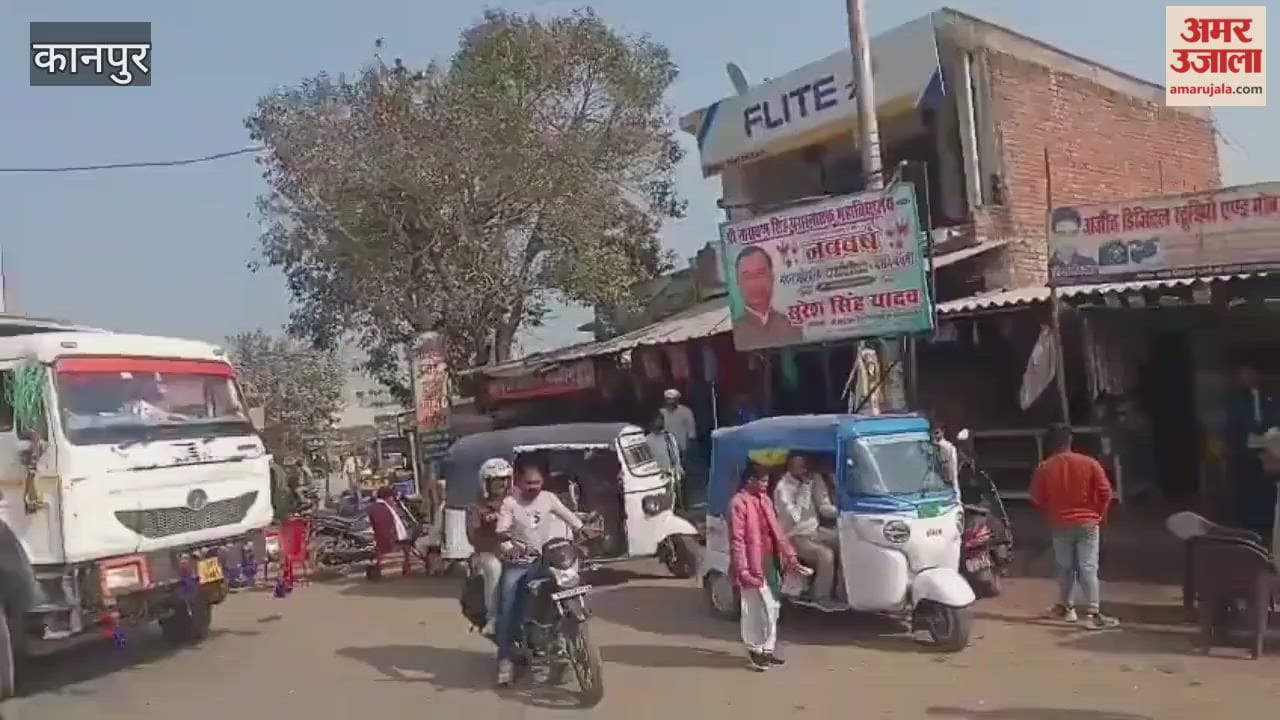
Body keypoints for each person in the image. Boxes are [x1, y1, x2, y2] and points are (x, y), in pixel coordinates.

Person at [493, 458, 585, 686]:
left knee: (566, 590)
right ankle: (505, 661)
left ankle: (561, 643)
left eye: (537, 482)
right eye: (528, 483)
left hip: (548, 560)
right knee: (507, 609)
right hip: (520, 563)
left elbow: (573, 520)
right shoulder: (510, 503)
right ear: (519, 481)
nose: (532, 487)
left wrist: (586, 531)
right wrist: (509, 547)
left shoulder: (549, 499)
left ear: (544, 481)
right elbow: (502, 531)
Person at [1029, 423, 1119, 629]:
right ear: (1070, 441)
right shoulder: (1089, 463)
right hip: (1088, 523)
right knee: (1088, 567)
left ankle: (1067, 609)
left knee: (1065, 566)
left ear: (1050, 443)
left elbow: (1036, 499)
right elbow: (1106, 492)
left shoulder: (1044, 468)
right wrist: (1098, 516)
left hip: (1060, 524)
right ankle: (1093, 613)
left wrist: (1051, 514)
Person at [730, 462, 799, 671]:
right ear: (749, 480)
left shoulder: (766, 501)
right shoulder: (738, 503)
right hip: (751, 562)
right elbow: (737, 539)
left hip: (770, 559)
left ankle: (767, 649)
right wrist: (742, 569)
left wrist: (790, 555)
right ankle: (754, 649)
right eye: (762, 480)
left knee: (773, 607)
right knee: (753, 608)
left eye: (767, 481)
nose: (765, 484)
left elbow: (777, 531)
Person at [772, 452, 840, 610]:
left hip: (815, 530)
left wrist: (841, 511)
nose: (804, 469)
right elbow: (793, 517)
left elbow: (823, 508)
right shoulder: (783, 488)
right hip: (795, 536)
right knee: (825, 555)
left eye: (805, 465)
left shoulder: (810, 481)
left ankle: (842, 591)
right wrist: (802, 493)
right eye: (799, 465)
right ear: (790, 466)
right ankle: (821, 596)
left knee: (845, 542)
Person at [1224, 361, 1278, 541]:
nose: (1245, 377)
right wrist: (1254, 443)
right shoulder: (1234, 402)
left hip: (1269, 454)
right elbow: (1232, 429)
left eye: (1248, 373)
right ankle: (1249, 527)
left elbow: (1274, 421)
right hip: (1245, 455)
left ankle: (1268, 524)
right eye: (1241, 373)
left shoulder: (1269, 399)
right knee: (1247, 491)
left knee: (1268, 490)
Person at [468, 458, 512, 636]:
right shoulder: (477, 507)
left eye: (505, 479)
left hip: (519, 548)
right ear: (486, 482)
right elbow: (473, 536)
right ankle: (492, 617)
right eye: (496, 480)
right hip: (489, 551)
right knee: (493, 568)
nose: (502, 483)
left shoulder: (518, 500)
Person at [732, 246, 802, 348]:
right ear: (738, 283)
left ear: (772, 277)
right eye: (747, 276)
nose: (754, 283)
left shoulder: (790, 327)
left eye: (761, 274)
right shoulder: (735, 333)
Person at [660, 389, 697, 455]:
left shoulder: (685, 411)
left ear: (677, 400)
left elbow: (691, 428)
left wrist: (690, 442)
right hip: (665, 446)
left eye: (673, 399)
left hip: (681, 446)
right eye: (668, 399)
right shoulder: (661, 413)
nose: (670, 401)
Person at [932, 421, 961, 499]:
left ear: (943, 432)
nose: (935, 435)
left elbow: (952, 470)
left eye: (937, 432)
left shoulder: (948, 447)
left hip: (947, 482)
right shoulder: (931, 446)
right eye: (933, 432)